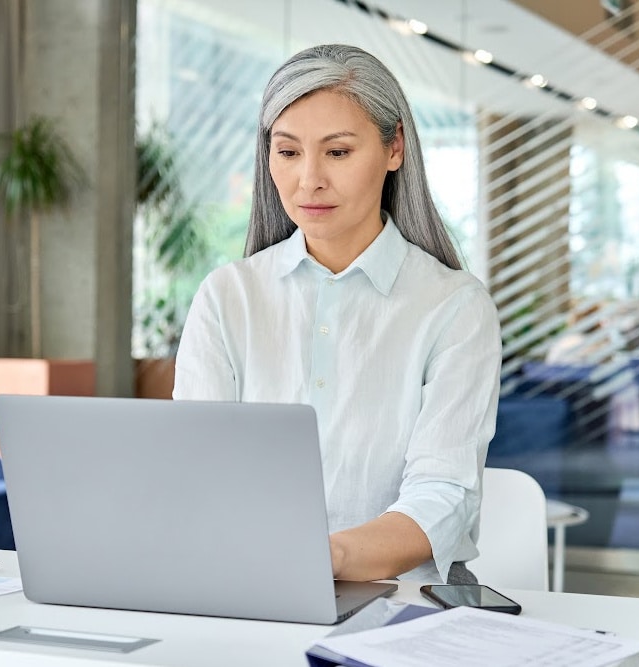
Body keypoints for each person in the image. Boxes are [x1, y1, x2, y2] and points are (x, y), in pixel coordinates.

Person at [173, 44, 501, 585]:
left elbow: (443, 494)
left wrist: (325, 558)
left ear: (394, 147)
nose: (308, 181)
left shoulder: (454, 307)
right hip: (244, 585)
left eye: (339, 152)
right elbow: (196, 469)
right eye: (288, 152)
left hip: (402, 601)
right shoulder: (227, 296)